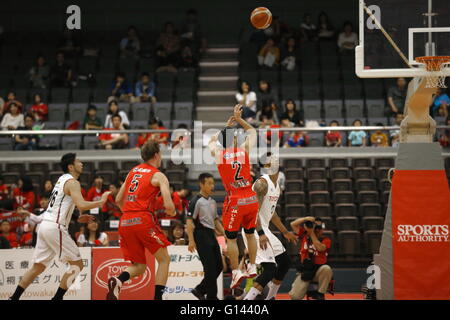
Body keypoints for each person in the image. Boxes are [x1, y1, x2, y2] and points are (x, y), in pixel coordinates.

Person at [9, 153, 111, 300]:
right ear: (71, 166)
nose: (81, 163)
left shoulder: (61, 180)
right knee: (77, 264)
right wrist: (100, 202)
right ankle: (57, 298)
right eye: (78, 161)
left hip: (45, 226)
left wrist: (76, 217)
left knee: (38, 267)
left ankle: (13, 298)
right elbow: (82, 204)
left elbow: (62, 205)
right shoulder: (73, 182)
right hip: (55, 227)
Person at [107, 140, 176, 300]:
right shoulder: (158, 175)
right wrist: (171, 212)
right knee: (164, 260)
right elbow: (168, 205)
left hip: (125, 221)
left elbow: (118, 199)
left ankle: (118, 280)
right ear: (157, 155)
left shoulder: (133, 172)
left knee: (139, 267)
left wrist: (130, 213)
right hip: (143, 220)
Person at [208, 104, 259, 289]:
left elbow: (211, 142)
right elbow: (253, 131)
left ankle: (236, 270)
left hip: (235, 199)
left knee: (231, 238)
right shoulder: (244, 150)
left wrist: (222, 132)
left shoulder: (219, 154)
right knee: (250, 234)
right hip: (251, 198)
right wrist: (238, 120)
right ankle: (252, 265)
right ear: (235, 140)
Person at [242, 153, 297, 300]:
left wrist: (285, 232)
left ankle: (270, 297)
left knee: (285, 263)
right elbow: (252, 212)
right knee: (270, 269)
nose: (275, 161)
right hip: (253, 229)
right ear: (266, 165)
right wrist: (260, 234)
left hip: (263, 229)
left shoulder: (276, 185)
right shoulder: (262, 184)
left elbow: (272, 213)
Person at [187, 172, 225, 300]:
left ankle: (200, 289)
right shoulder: (195, 201)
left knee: (219, 266)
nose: (212, 186)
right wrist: (191, 241)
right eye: (209, 183)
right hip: (200, 235)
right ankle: (212, 297)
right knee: (210, 269)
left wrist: (225, 233)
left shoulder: (213, 201)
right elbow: (189, 222)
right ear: (201, 184)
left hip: (211, 235)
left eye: (213, 183)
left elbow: (215, 220)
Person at [289, 216, 333, 300]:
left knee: (327, 269)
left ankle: (320, 293)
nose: (317, 230)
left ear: (322, 229)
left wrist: (311, 233)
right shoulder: (305, 235)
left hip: (318, 271)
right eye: (315, 227)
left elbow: (320, 248)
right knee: (294, 297)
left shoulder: (326, 240)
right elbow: (293, 224)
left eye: (319, 228)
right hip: (305, 271)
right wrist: (306, 219)